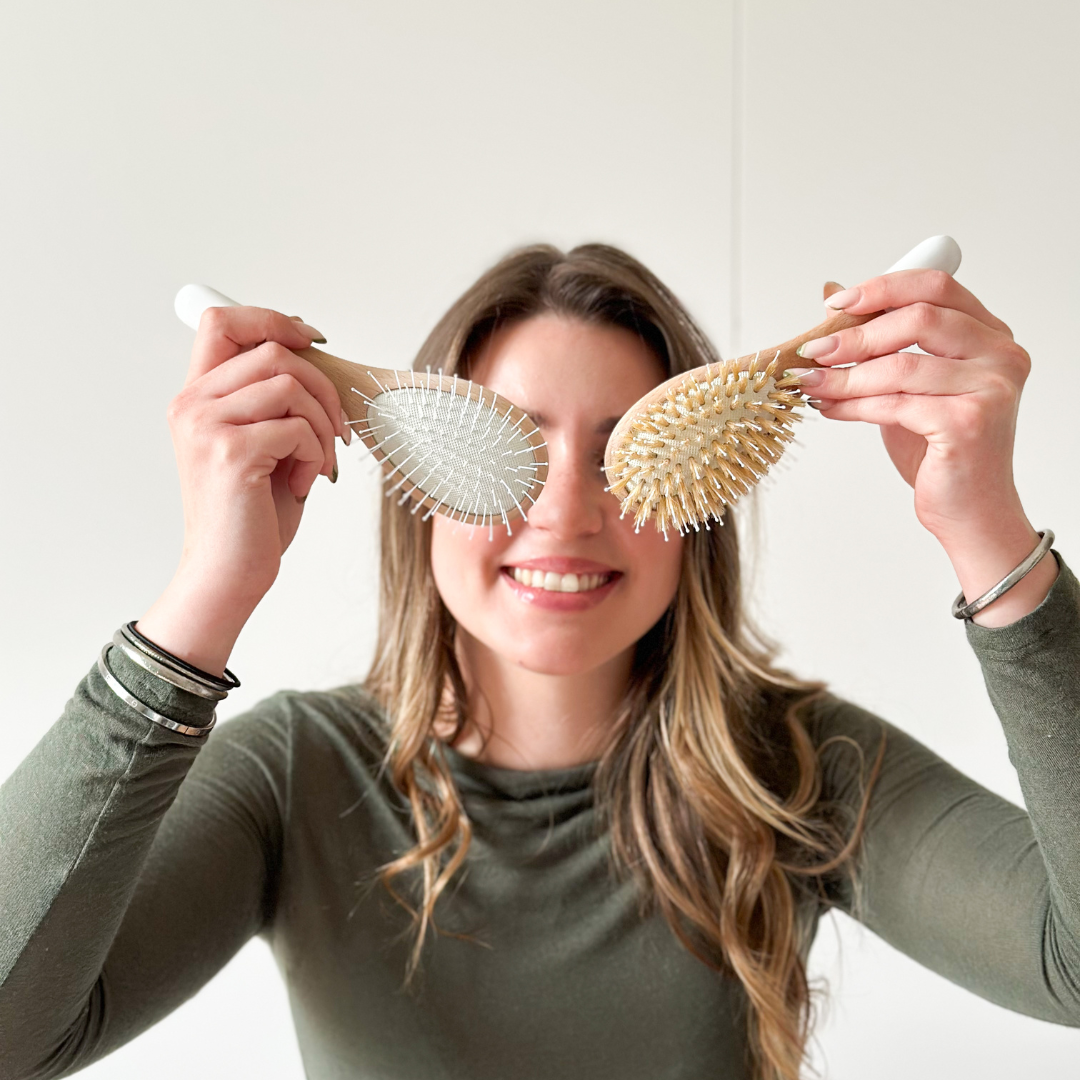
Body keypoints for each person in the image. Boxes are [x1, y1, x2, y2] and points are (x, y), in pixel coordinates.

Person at [0, 244, 1076, 1080]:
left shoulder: (794, 768)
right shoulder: (296, 776)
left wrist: (988, 530)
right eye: (505, 452)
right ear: (419, 490)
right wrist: (206, 595)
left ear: (700, 502)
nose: (564, 513)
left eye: (624, 455)